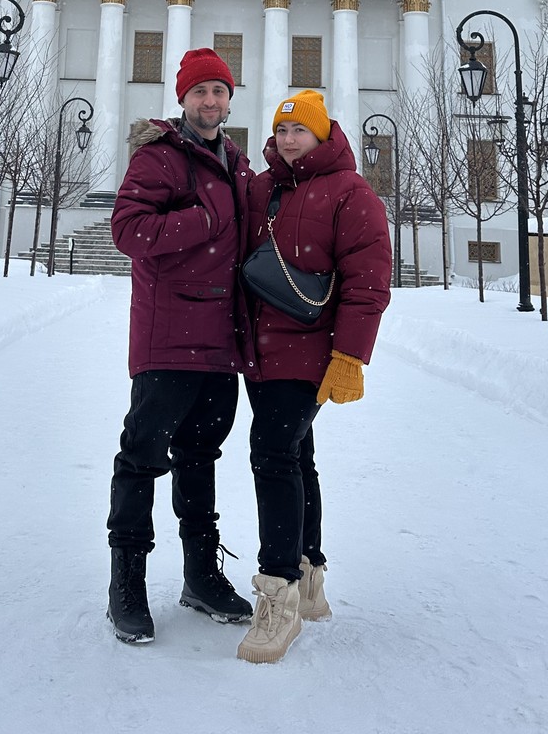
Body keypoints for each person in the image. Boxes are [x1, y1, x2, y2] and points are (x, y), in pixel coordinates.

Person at [236, 89, 392, 664]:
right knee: (296, 455)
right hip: (261, 350)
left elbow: (368, 280)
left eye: (300, 129)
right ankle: (309, 581)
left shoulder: (351, 193)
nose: (289, 138)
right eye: (281, 131)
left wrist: (349, 357)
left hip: (309, 351)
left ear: (323, 134)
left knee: (272, 454)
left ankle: (277, 594)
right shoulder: (263, 188)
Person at [106, 47, 254, 644]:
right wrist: (204, 222)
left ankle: (200, 577)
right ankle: (127, 586)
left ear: (229, 98)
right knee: (142, 459)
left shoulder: (238, 164)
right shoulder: (159, 159)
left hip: (221, 341)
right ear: (183, 98)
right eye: (200, 92)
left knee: (201, 458)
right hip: (168, 341)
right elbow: (127, 231)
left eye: (219, 91)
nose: (210, 102)